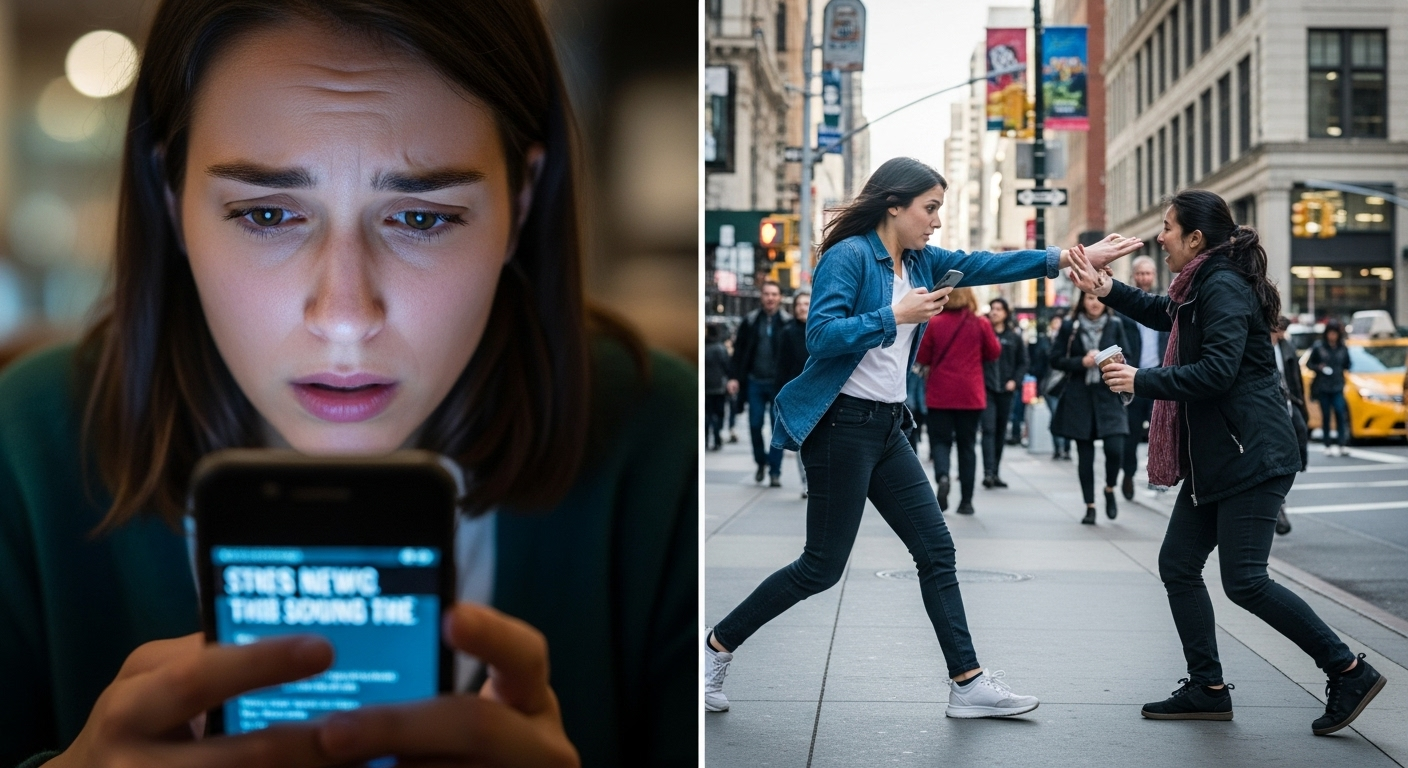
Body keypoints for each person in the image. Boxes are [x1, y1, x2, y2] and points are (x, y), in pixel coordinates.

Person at [0, 2, 697, 766]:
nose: (344, 317)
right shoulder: (22, 452)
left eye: (422, 220)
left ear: (521, 202)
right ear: (170, 201)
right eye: (266, 212)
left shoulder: (665, 451)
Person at [703, 156, 1143, 717]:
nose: (936, 221)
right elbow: (820, 336)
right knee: (821, 566)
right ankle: (715, 648)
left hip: (887, 427)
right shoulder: (850, 256)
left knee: (937, 549)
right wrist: (895, 314)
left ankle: (967, 683)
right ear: (894, 205)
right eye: (929, 208)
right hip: (841, 425)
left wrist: (1071, 257)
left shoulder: (923, 260)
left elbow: (987, 264)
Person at [1073, 188, 1386, 735]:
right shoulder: (1199, 286)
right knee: (1178, 565)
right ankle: (1208, 687)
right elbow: (1165, 314)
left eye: (1168, 227)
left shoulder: (1222, 285)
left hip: (1251, 454)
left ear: (1195, 238)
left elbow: (1217, 372)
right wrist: (1107, 288)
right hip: (1218, 457)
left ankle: (1348, 669)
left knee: (1244, 580)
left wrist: (1141, 380)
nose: (1161, 236)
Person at [916, 287, 997, 515]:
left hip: (940, 393)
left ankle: (943, 476)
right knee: (967, 446)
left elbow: (922, 357)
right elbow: (994, 351)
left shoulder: (934, 323)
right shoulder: (980, 323)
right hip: (970, 395)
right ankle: (967, 501)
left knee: (940, 442)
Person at [1050, 292, 1129, 524]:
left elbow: (1129, 356)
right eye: (1090, 298)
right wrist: (1081, 362)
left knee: (1116, 449)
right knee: (1084, 455)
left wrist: (1113, 362)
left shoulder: (1115, 325)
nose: (1094, 303)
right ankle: (1090, 506)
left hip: (1109, 397)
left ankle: (1110, 488)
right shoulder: (1069, 327)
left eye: (1098, 298)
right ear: (1082, 301)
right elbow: (1054, 359)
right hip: (1080, 398)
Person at [1115, 255, 1169, 499]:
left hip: (1157, 379)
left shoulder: (1163, 305)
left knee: (1158, 432)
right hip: (1133, 379)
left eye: (1148, 273)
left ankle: (1157, 476)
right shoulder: (1126, 307)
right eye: (1140, 273)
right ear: (1133, 276)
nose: (1144, 278)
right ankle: (1127, 473)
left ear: (1154, 276)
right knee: (1131, 432)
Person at [728, 281, 792, 485]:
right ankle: (761, 462)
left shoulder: (787, 322)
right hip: (754, 381)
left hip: (777, 384)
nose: (770, 298)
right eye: (766, 293)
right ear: (761, 296)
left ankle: (775, 471)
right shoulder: (751, 321)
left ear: (780, 297)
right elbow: (738, 352)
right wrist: (734, 377)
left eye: (774, 294)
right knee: (754, 424)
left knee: (777, 429)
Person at [981, 298, 1027, 489]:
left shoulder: (1014, 337)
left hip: (1006, 391)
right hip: (986, 389)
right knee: (988, 429)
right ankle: (988, 472)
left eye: (999, 309)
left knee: (1000, 431)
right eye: (992, 309)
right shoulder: (984, 333)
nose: (995, 312)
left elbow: (1023, 363)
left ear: (1006, 313)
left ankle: (996, 471)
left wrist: (1014, 381)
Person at [1272, 316, 1310, 535]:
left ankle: (1298, 463)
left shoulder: (1287, 348)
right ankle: (1279, 506)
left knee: (1300, 431)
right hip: (1272, 403)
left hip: (1288, 400)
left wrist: (1301, 405)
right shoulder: (1261, 345)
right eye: (1279, 330)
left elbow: (1295, 379)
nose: (1281, 334)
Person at [777, 290, 812, 497]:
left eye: (807, 303)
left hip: (820, 390)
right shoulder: (787, 333)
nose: (802, 307)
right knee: (802, 440)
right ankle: (806, 481)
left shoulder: (821, 329)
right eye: (799, 304)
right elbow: (781, 366)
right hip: (797, 394)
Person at [1308, 319, 1352, 457]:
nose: (1332, 336)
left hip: (1338, 385)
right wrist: (1319, 367)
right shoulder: (1319, 347)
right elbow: (1310, 364)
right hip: (1323, 386)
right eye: (1330, 333)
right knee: (1326, 415)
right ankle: (1327, 444)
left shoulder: (1342, 347)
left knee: (1340, 412)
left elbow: (1348, 364)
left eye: (1335, 333)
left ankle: (1341, 443)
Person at [1032, 314, 1071, 460]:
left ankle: (1065, 448)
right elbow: (1038, 363)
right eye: (1055, 322)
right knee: (1056, 415)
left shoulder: (1070, 340)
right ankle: (1058, 448)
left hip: (1066, 385)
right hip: (1049, 386)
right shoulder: (1045, 341)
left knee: (1067, 416)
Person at [706, 324, 731, 451]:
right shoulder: (720, 348)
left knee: (706, 414)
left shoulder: (704, 347)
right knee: (718, 414)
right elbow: (726, 366)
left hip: (705, 387)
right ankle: (717, 440)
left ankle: (705, 440)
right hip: (718, 387)